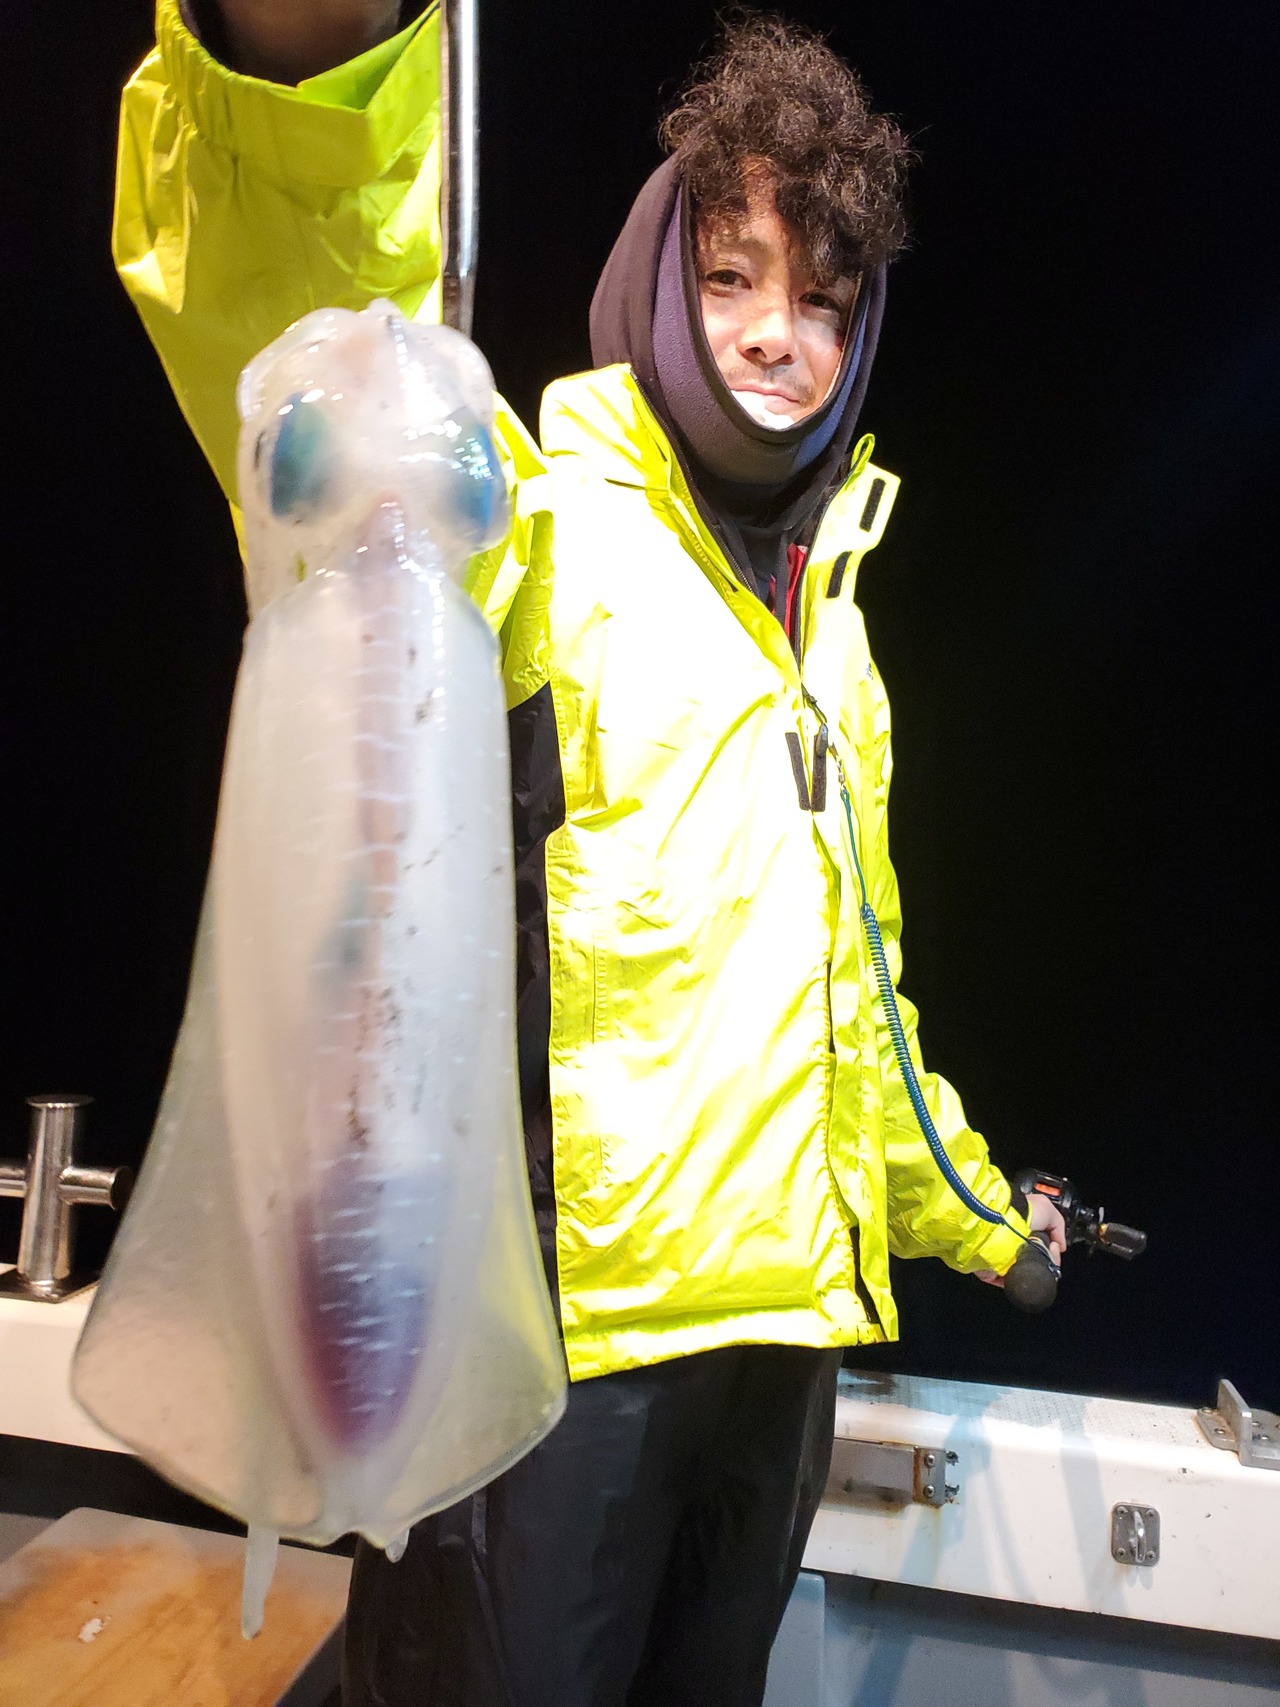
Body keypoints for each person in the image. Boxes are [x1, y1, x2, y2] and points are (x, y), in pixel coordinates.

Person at [113, 4, 1067, 1702]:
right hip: (557, 1355)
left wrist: (986, 1220)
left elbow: (858, 1012)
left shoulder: (836, 637)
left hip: (782, 1362)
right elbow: (322, 335)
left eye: (824, 299)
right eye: (732, 278)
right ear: (656, 286)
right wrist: (303, 73)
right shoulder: (523, 516)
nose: (777, 334)